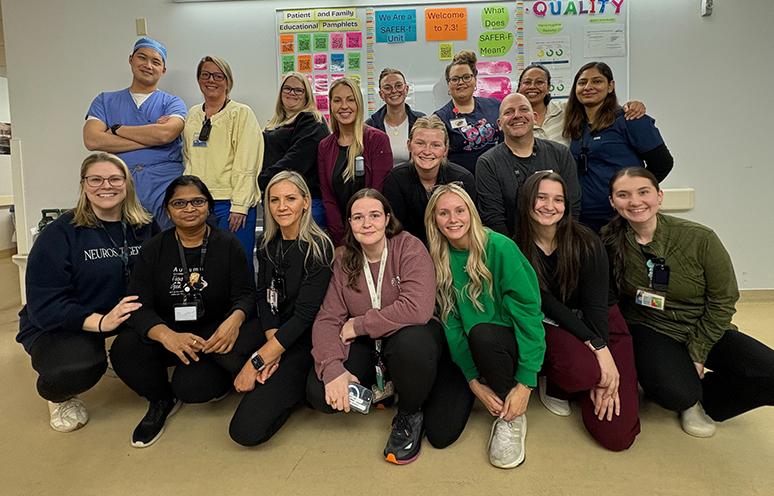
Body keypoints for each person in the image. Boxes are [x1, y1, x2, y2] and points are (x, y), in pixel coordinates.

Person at [602, 167, 774, 438]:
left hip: (703, 325)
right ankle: (688, 399)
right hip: (651, 327)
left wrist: (698, 351)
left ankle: (708, 398)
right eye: (623, 195)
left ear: (659, 196)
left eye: (643, 192)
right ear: (613, 201)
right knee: (676, 393)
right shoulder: (609, 242)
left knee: (770, 372)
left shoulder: (700, 238)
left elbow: (724, 299)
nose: (635, 201)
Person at [308, 189, 469, 464]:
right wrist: (333, 369)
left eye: (374, 215)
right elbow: (327, 318)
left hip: (413, 341)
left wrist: (359, 324)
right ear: (349, 223)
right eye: (358, 217)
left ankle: (409, 410)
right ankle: (390, 387)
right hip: (374, 347)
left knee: (441, 431)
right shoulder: (344, 258)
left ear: (386, 219)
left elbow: (417, 309)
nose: (367, 223)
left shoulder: (409, 247)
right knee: (319, 392)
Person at [110, 175, 257, 448]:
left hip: (214, 335)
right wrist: (166, 335)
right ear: (168, 210)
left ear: (209, 207)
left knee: (194, 388)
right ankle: (161, 399)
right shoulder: (154, 249)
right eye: (179, 203)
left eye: (197, 201)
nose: (189, 209)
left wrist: (234, 321)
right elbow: (136, 303)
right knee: (124, 349)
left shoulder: (227, 244)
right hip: (171, 331)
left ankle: (208, 377)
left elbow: (247, 294)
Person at [17, 152, 153, 432]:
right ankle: (60, 396)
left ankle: (115, 354)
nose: (107, 186)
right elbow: (45, 307)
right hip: (63, 323)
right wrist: (101, 323)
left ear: (127, 184)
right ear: (83, 185)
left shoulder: (145, 227)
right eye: (96, 179)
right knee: (76, 367)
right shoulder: (59, 234)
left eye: (115, 178)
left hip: (124, 318)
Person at [516, 171, 640, 451]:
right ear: (527, 201)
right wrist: (596, 356)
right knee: (583, 373)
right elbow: (547, 304)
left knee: (616, 436)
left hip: (601, 322)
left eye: (558, 199)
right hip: (553, 323)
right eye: (542, 197)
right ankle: (561, 381)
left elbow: (596, 306)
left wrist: (604, 354)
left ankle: (590, 381)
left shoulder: (587, 241)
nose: (550, 206)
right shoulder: (516, 248)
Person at [425, 183, 545, 469]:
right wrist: (473, 381)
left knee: (482, 332)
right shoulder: (438, 258)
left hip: (506, 346)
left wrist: (526, 382)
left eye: (459, 210)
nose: (453, 219)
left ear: (472, 213)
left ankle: (511, 417)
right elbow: (451, 324)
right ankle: (486, 387)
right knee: (440, 434)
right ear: (434, 220)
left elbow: (529, 316)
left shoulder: (500, 248)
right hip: (470, 352)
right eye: (443, 213)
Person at [229, 171, 333, 446]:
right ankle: (272, 374)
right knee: (223, 351)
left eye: (290, 199)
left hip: (303, 339)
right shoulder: (267, 245)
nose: (282, 207)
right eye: (274, 200)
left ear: (306, 202)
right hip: (274, 330)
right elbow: (264, 296)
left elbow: (304, 317)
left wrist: (257, 361)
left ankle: (292, 389)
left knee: (244, 431)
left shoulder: (320, 248)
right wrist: (270, 347)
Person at [83, 37, 186, 229]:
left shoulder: (172, 103)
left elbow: (166, 134)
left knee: (172, 243)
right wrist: (152, 137)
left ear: (163, 70)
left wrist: (117, 130)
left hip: (166, 185)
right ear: (131, 59)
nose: (148, 65)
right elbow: (91, 139)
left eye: (156, 62)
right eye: (142, 58)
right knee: (124, 243)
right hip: (119, 184)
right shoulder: (105, 100)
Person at [563, 62, 673, 232]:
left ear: (610, 86)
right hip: (584, 220)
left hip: (621, 218)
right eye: (582, 82)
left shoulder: (631, 119)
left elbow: (663, 164)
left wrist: (633, 194)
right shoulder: (577, 125)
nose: (588, 87)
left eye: (597, 81)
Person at [183, 55, 263, 271]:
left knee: (236, 265)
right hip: (199, 203)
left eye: (218, 76)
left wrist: (239, 205)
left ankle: (243, 306)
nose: (211, 80)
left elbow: (248, 162)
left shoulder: (241, 114)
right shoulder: (192, 114)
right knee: (205, 267)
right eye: (205, 75)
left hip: (231, 204)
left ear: (228, 81)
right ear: (199, 80)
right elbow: (189, 158)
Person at [476, 92, 580, 239]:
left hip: (561, 243)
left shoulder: (560, 154)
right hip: (514, 250)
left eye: (524, 109)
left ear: (535, 118)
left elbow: (573, 205)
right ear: (499, 124)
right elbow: (494, 219)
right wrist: (514, 256)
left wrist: (563, 244)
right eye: (509, 112)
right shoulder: (488, 163)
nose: (517, 115)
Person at [318, 78, 393, 245]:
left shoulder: (377, 140)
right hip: (341, 237)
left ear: (359, 103)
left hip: (373, 232)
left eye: (350, 99)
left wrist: (364, 230)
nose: (344, 106)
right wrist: (342, 239)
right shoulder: (325, 146)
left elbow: (378, 193)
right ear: (331, 105)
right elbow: (328, 198)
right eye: (337, 100)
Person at [383, 115, 475, 245]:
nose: (427, 151)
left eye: (436, 145)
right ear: (409, 145)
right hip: (411, 252)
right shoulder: (395, 180)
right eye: (420, 143)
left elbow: (472, 227)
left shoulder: (463, 179)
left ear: (445, 149)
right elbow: (395, 231)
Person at [259, 72, 331, 227]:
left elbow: (296, 160)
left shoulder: (312, 121)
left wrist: (262, 180)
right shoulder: (274, 124)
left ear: (307, 95)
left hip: (304, 203)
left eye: (298, 90)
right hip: (277, 200)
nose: (292, 93)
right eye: (287, 89)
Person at [517, 64, 646, 147]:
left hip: (568, 184)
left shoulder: (567, 109)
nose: (532, 86)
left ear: (549, 87)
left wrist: (633, 105)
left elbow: (595, 101)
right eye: (527, 82)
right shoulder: (514, 119)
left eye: (540, 82)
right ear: (519, 87)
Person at [434, 50, 501, 174]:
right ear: (448, 85)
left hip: (496, 178)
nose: (461, 82)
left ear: (475, 79)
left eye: (466, 77)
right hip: (460, 183)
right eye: (455, 79)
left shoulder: (495, 106)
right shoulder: (440, 118)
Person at [366, 68, 426, 165]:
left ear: (406, 89)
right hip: (382, 180)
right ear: (381, 94)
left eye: (398, 86)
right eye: (387, 88)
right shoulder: (370, 125)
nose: (394, 91)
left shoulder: (421, 121)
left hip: (414, 179)